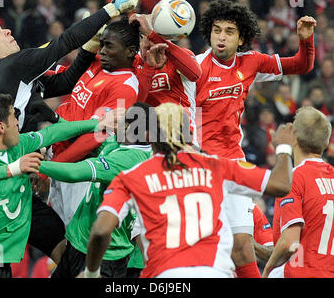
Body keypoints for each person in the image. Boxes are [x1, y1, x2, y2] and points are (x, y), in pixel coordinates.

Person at [0, 0, 140, 265]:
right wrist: (111, 9)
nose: (7, 31)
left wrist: (89, 47)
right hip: (4, 187)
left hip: (12, 182)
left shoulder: (14, 77)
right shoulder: (13, 65)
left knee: (64, 253)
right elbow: (63, 41)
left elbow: (64, 83)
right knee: (55, 255)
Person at [81, 102, 294, 278]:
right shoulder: (215, 165)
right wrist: (284, 148)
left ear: (149, 134)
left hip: (165, 274)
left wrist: (91, 273)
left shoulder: (132, 176)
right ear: (189, 133)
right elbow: (281, 184)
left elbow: (100, 231)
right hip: (216, 271)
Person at [0, 93, 120, 278]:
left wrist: (96, 123)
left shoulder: (18, 145)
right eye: (14, 116)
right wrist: (12, 169)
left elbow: (51, 134)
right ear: (1, 126)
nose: (17, 123)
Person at [194, 0, 316, 278]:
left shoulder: (251, 63)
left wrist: (306, 41)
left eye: (229, 31)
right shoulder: (195, 68)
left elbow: (301, 65)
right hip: (203, 165)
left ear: (241, 39)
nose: (221, 37)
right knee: (206, 245)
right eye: (216, 30)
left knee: (243, 249)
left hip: (235, 163)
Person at [46, 16, 165, 226]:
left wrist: (50, 168)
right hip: (57, 158)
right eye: (101, 44)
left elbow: (93, 138)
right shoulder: (96, 64)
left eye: (108, 46)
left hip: (78, 172)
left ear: (129, 51)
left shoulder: (125, 87)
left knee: (77, 242)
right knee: (59, 242)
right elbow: (69, 103)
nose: (102, 51)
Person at [39, 102, 154, 278]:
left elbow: (74, 173)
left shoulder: (130, 160)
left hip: (102, 257)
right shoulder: (122, 142)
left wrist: (36, 166)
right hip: (78, 244)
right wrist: (56, 118)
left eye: (128, 121)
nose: (121, 122)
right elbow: (87, 139)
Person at [263, 106, 334, 278]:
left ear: (294, 138)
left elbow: (289, 243)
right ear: (325, 143)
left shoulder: (294, 177)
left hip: (298, 272)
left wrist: (266, 271)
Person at [129, 13, 202, 144]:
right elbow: (136, 104)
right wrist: (149, 67)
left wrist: (158, 40)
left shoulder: (180, 57)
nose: (148, 41)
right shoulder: (134, 63)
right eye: (143, 36)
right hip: (145, 139)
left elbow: (195, 74)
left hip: (181, 135)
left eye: (152, 36)